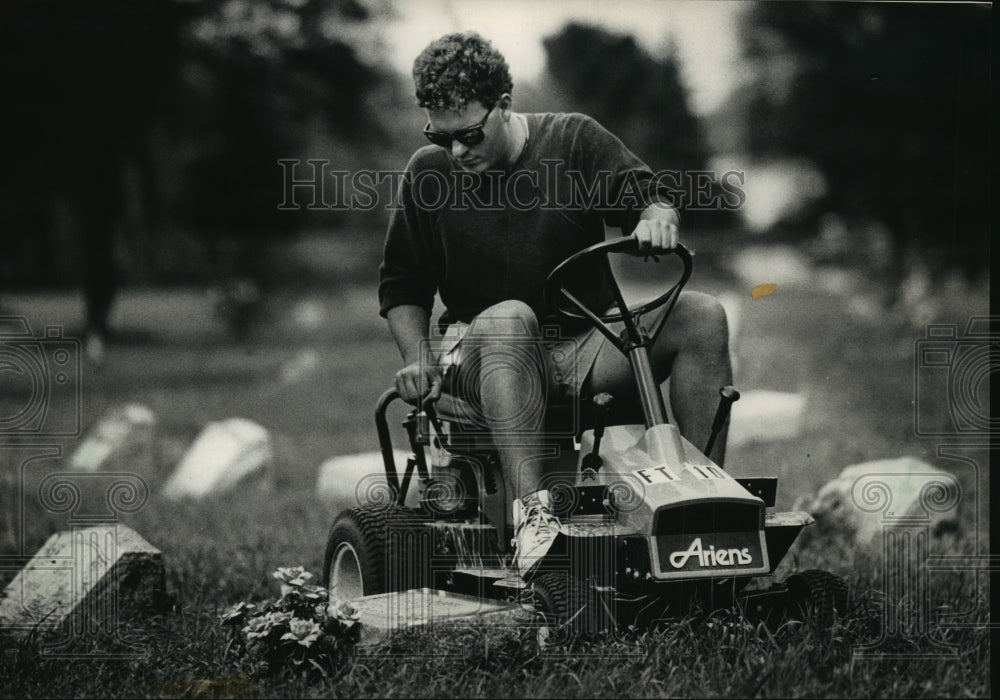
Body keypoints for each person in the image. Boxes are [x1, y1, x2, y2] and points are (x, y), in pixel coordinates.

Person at [378, 31, 732, 580]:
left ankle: (700, 510)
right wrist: (416, 357)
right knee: (510, 316)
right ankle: (534, 521)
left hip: (578, 344)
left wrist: (658, 216)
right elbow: (403, 283)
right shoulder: (429, 173)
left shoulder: (573, 140)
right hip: (478, 352)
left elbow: (647, 192)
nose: (456, 151)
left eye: (469, 134)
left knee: (702, 315)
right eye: (441, 136)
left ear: (503, 104)